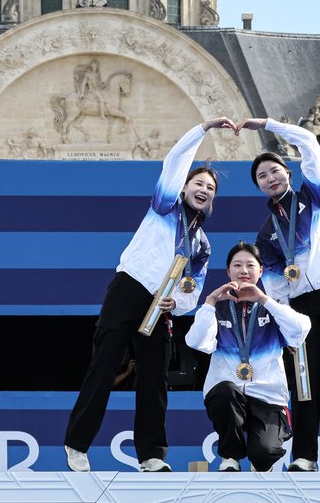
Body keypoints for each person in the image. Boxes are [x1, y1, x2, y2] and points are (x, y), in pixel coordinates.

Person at [64, 118, 235, 472]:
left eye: (210, 189)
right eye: (198, 183)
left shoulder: (202, 244)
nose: (203, 190)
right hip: (129, 288)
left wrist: (180, 303)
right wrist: (203, 128)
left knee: (155, 376)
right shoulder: (164, 206)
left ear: (213, 201)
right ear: (184, 187)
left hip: (160, 305)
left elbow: (193, 286)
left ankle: (152, 455)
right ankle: (77, 445)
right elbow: (174, 160)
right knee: (104, 365)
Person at [240, 117, 320, 472]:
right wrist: (286, 324)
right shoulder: (266, 235)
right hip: (301, 306)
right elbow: (276, 287)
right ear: (259, 187)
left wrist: (267, 124)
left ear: (288, 173)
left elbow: (310, 143)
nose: (269, 178)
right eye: (262, 177)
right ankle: (305, 456)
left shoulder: (314, 195)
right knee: (304, 377)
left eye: (274, 171)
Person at [188, 242, 310, 471]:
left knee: (263, 455)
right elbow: (196, 342)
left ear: (261, 271)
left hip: (268, 397)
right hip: (230, 394)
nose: (243, 270)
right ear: (228, 271)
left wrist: (264, 299)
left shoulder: (274, 307)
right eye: (237, 265)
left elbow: (300, 330)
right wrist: (210, 301)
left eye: (250, 265)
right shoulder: (218, 308)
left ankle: (259, 451)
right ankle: (230, 457)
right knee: (225, 390)